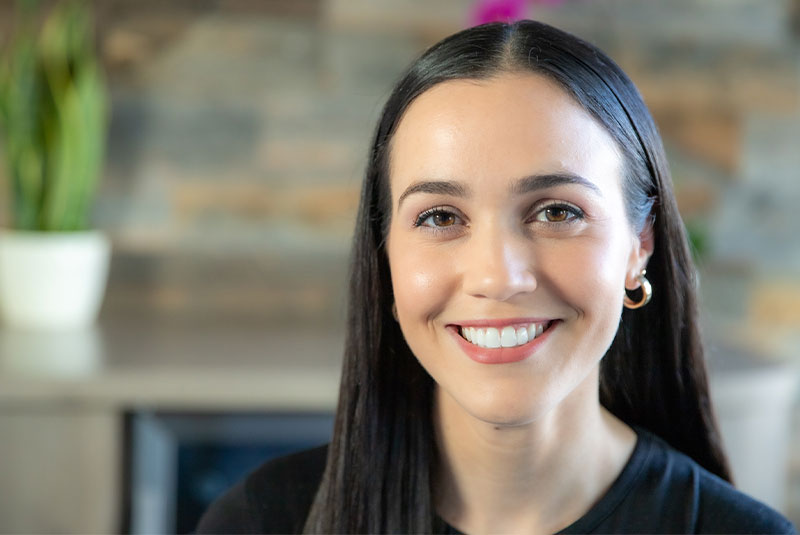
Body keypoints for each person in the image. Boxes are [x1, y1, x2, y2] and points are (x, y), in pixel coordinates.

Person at [197, 20, 797, 534]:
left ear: (638, 247)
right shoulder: (262, 521)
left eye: (557, 212)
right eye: (439, 217)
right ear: (385, 259)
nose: (497, 276)